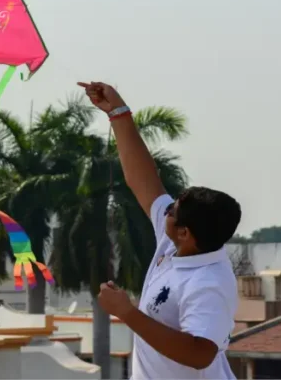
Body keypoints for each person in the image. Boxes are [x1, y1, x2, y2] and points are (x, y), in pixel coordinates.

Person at [77, 81, 242, 379]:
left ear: (185, 233)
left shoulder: (208, 283)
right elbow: (144, 180)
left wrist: (127, 312)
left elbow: (199, 354)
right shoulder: (178, 245)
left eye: (172, 211)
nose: (164, 207)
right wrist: (118, 113)